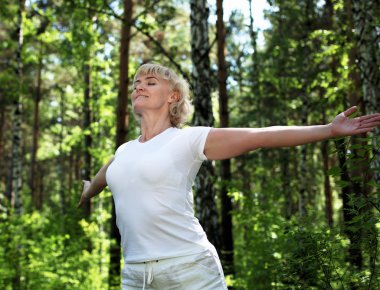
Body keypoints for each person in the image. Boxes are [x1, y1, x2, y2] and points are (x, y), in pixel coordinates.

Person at [78, 63, 380, 290]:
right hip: (134, 274)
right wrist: (89, 189)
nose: (138, 87)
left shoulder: (187, 139)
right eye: (136, 83)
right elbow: (107, 175)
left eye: (150, 82)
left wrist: (328, 130)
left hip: (188, 268)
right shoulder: (125, 150)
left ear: (172, 96)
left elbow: (259, 136)